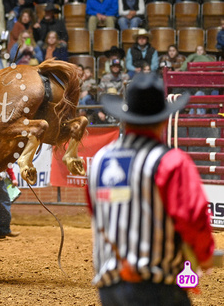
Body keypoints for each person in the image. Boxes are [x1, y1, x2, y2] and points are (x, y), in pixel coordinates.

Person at [87, 73, 214, 305]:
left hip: (110, 288)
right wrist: (204, 255)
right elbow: (192, 218)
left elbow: (96, 210)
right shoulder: (172, 162)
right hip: (157, 287)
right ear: (163, 120)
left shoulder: (100, 160)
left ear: (124, 118)